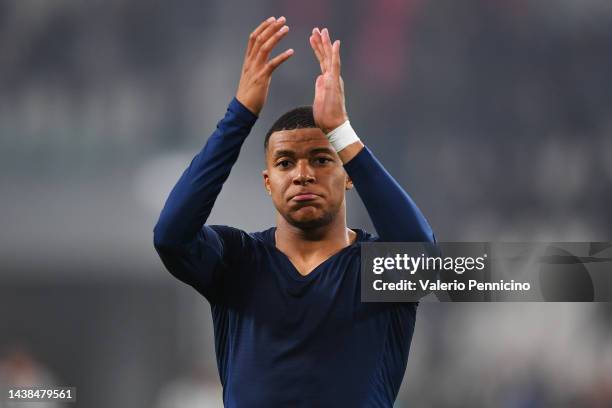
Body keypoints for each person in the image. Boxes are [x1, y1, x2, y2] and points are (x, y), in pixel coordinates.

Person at [153, 16, 435, 407]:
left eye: (321, 159)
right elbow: (170, 236)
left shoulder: (372, 270)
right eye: (285, 163)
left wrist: (342, 132)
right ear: (268, 182)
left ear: (349, 175)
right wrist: (240, 115)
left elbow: (422, 255)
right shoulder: (238, 261)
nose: (302, 175)